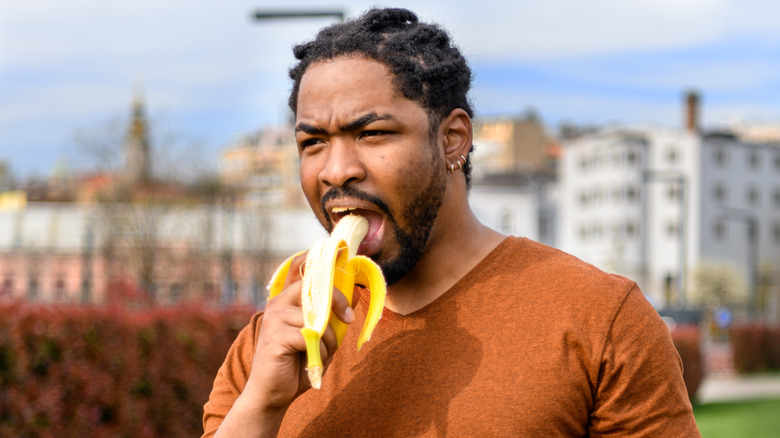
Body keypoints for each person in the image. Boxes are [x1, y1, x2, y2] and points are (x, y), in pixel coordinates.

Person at [203, 8, 700, 437]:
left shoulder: (599, 319)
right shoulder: (272, 339)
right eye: (312, 143)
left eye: (372, 133)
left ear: (453, 140)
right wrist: (261, 406)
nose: (335, 170)